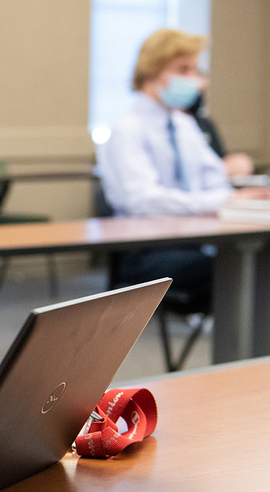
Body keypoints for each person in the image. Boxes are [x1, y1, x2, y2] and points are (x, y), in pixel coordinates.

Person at [96, 28, 270, 303]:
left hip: (199, 240)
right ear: (151, 71)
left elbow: (214, 181)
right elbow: (143, 200)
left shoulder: (184, 125)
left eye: (195, 70)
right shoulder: (127, 130)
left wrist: (239, 200)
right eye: (183, 69)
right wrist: (225, 200)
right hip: (147, 250)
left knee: (254, 261)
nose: (194, 79)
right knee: (236, 269)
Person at [184, 91, 254, 178]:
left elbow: (221, 157)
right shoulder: (172, 127)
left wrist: (234, 165)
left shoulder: (204, 124)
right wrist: (222, 168)